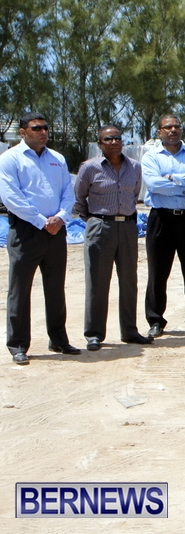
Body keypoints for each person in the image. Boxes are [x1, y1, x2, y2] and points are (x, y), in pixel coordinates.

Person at [0, 112, 79, 365]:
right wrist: (41, 221)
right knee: (20, 289)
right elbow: (11, 197)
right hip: (26, 231)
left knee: (55, 288)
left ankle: (58, 339)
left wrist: (61, 218)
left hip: (56, 231)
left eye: (45, 128)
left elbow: (68, 192)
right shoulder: (10, 159)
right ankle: (18, 344)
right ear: (23, 132)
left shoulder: (57, 159)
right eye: (36, 128)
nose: (43, 132)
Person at [74, 125, 152, 351]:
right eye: (108, 139)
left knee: (129, 281)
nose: (114, 141)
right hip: (101, 226)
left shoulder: (134, 167)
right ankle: (94, 334)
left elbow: (134, 194)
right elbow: (78, 198)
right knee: (97, 281)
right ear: (100, 144)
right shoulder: (89, 167)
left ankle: (129, 331)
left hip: (127, 227)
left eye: (117, 138)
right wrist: (93, 220)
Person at [140, 114, 185, 339]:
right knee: (157, 273)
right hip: (161, 218)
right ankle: (155, 320)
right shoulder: (151, 156)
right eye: (168, 127)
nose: (173, 130)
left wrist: (171, 178)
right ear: (159, 132)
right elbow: (153, 184)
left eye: (176, 126)